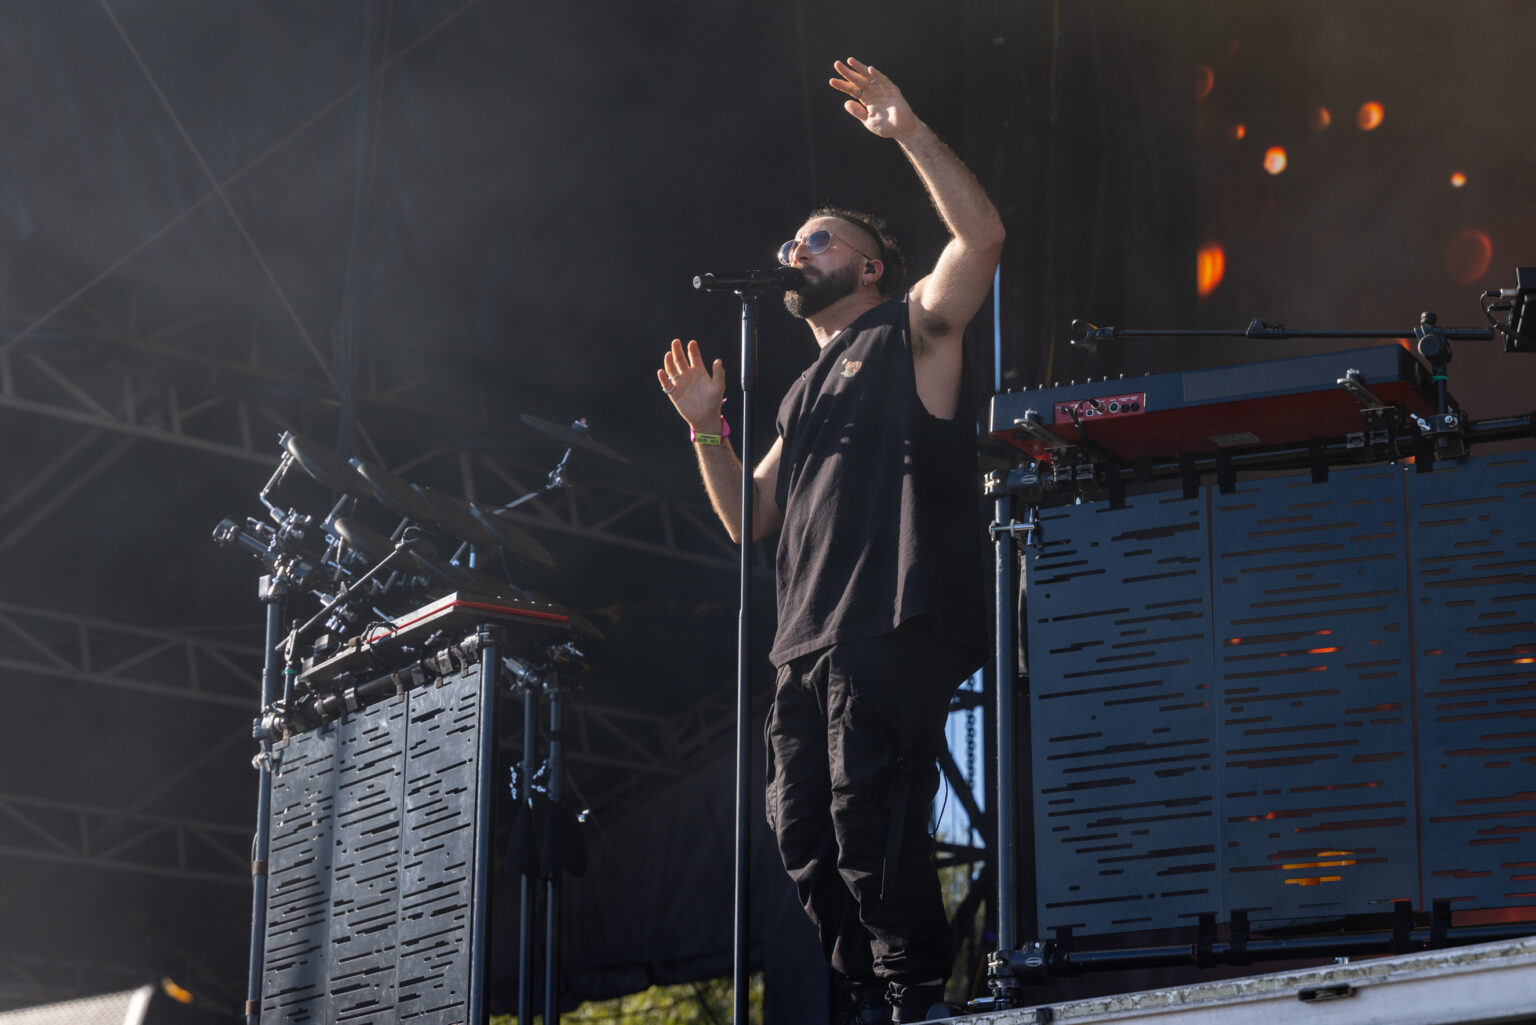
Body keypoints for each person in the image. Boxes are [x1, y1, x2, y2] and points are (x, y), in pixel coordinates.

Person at [657, 56, 1003, 1024]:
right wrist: (706, 428)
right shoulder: (801, 395)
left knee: (870, 822)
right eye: (791, 240)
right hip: (804, 641)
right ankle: (878, 992)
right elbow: (748, 518)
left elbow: (981, 239)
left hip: (886, 619)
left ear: (869, 265)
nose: (796, 250)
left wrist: (907, 132)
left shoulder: (909, 332)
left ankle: (918, 996)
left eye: (817, 239)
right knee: (802, 835)